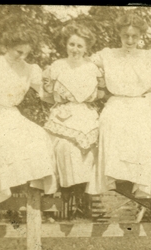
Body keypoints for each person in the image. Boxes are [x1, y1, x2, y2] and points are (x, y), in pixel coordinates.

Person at [0, 26, 57, 207]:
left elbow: (45, 93)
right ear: (7, 47)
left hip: (11, 114)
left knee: (39, 135)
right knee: (5, 142)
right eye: (19, 51)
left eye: (26, 53)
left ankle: (34, 188)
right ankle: (5, 193)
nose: (22, 57)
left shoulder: (29, 69)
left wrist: (57, 87)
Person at [91, 12, 151, 200]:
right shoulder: (107, 55)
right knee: (109, 123)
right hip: (117, 102)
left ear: (140, 36)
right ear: (119, 34)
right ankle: (112, 179)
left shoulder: (150, 57)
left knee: (143, 130)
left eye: (134, 36)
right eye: (125, 35)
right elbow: (84, 65)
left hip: (140, 103)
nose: (130, 40)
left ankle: (139, 182)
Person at [41, 23, 105, 218]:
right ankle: (62, 198)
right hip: (63, 113)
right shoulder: (57, 66)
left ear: (86, 48)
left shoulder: (93, 68)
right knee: (64, 147)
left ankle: (88, 200)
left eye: (80, 46)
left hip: (86, 113)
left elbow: (101, 94)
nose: (75, 49)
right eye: (72, 44)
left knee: (93, 149)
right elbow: (47, 96)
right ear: (65, 45)